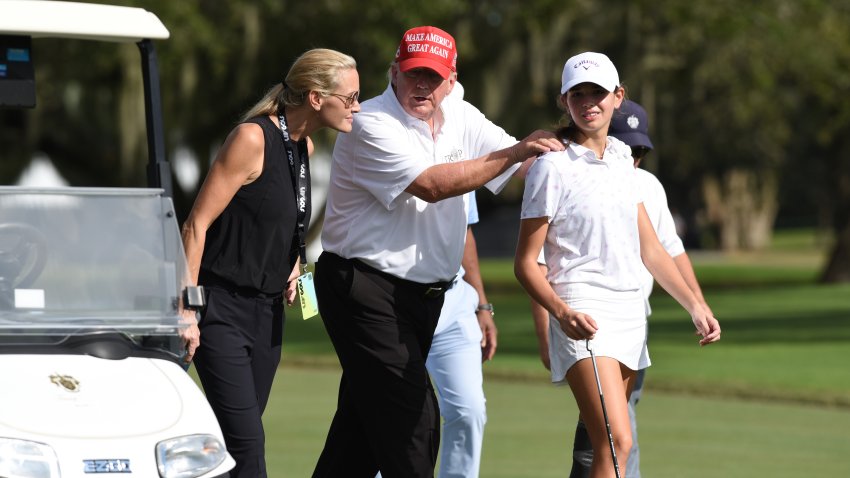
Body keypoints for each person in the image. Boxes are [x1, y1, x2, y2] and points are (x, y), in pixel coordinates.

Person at [313, 26, 563, 478]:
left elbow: (526, 162)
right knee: (414, 421)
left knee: (360, 433)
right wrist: (516, 151)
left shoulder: (462, 114)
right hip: (362, 289)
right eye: (412, 74)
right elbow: (432, 185)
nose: (421, 86)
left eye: (432, 76)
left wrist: (582, 157)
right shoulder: (369, 122)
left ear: (451, 79)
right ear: (394, 72)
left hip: (423, 297)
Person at [514, 52, 721, 477]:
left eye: (598, 93)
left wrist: (695, 306)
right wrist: (560, 311)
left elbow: (652, 250)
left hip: (629, 314)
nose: (589, 102)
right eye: (578, 94)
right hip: (583, 312)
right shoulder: (551, 168)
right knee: (616, 442)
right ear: (564, 101)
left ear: (617, 97)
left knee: (611, 450)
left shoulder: (624, 160)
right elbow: (525, 263)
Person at [180, 48, 360, 478]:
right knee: (248, 445)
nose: (358, 107)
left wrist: (293, 264)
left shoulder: (305, 147)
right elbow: (195, 225)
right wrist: (186, 310)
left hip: (267, 315)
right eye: (350, 97)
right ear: (317, 98)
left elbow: (283, 222)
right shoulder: (252, 138)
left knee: (232, 443)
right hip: (220, 308)